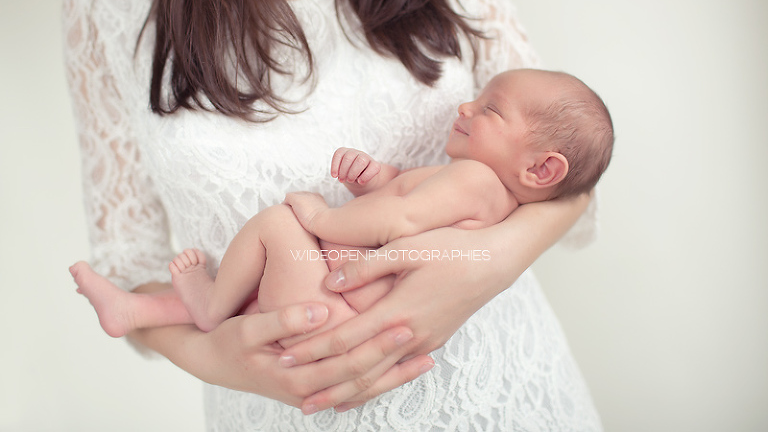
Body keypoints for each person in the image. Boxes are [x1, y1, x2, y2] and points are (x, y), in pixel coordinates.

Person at [63, 0, 605, 429]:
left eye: (487, 110)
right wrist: (208, 356)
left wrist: (490, 264)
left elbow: (563, 168)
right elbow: (127, 258)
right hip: (287, 395)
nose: (469, 110)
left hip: (497, 389)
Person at [70, 68, 613, 346]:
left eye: (491, 108)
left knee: (276, 226)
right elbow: (403, 200)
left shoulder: (473, 178)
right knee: (255, 297)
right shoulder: (479, 193)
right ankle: (136, 311)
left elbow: (399, 220)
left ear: (542, 170)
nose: (467, 105)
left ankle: (208, 308)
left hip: (338, 300)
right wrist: (375, 179)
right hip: (341, 306)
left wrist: (321, 218)